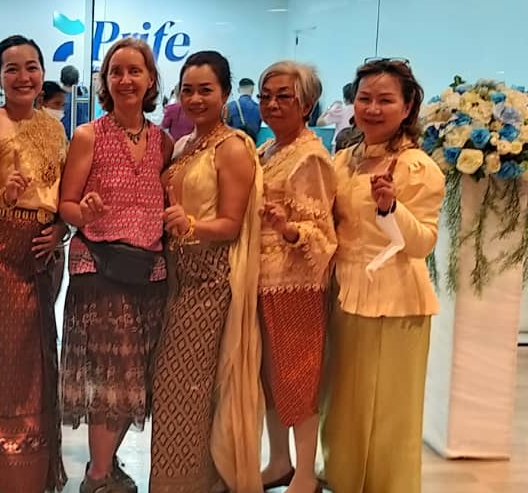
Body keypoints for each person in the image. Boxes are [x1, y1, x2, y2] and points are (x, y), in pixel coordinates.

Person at [321, 59, 443, 493]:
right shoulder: (343, 160)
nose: (372, 109)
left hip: (395, 300)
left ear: (407, 107)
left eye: (385, 100)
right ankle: (342, 479)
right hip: (344, 293)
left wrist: (391, 207)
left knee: (390, 408)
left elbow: (423, 243)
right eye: (365, 98)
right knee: (343, 402)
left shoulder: (416, 166)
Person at [59, 38, 172, 493]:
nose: (125, 80)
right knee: (111, 374)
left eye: (134, 71)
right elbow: (66, 204)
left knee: (137, 373)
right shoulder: (89, 135)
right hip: (99, 268)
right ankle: (98, 476)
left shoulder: (163, 141)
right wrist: (82, 212)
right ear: (105, 82)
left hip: (148, 270)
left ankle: (105, 464)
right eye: (116, 72)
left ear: (150, 80)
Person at [152, 50, 262, 493]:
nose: (195, 99)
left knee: (187, 384)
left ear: (226, 93)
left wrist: (191, 224)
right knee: (173, 383)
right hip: (176, 277)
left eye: (206, 90)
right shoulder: (184, 145)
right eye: (188, 90)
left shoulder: (232, 147)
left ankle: (193, 482)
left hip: (210, 279)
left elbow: (232, 224)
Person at [0, 35, 68, 493]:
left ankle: (38, 465)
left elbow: (60, 193)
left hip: (43, 250)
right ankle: (7, 467)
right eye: (12, 69)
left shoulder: (55, 128)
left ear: (42, 73)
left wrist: (61, 227)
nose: (23, 77)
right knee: (4, 357)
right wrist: (5, 195)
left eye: (31, 67)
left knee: (40, 353)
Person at [254, 62, 337, 493]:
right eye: (266, 95)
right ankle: (279, 461)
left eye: (283, 96)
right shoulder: (269, 149)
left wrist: (288, 229)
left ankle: (305, 472)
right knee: (270, 378)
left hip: (296, 287)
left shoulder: (310, 157)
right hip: (260, 281)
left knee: (297, 376)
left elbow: (322, 235)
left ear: (306, 104)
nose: (272, 104)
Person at [226, 77, 261, 144]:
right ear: (252, 90)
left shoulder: (229, 107)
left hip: (233, 144)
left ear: (238, 90)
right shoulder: (258, 108)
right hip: (252, 144)